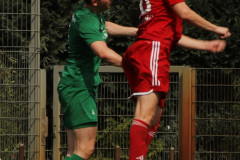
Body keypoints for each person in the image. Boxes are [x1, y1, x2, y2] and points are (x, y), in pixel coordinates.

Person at [122, 0, 231, 159]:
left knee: (153, 118)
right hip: (153, 48)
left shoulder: (161, 16)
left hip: (147, 48)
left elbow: (172, 35)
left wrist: (206, 45)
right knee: (145, 114)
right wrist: (215, 28)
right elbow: (185, 13)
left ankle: (140, 156)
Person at [57, 0, 137, 160]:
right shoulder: (87, 19)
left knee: (73, 151)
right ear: (94, 2)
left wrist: (136, 31)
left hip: (74, 84)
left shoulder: (89, 12)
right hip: (79, 87)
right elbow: (103, 52)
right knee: (85, 149)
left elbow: (104, 26)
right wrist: (135, 67)